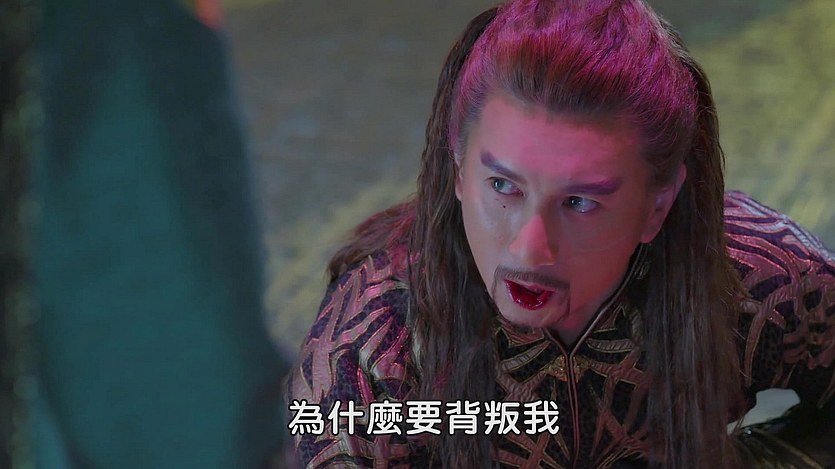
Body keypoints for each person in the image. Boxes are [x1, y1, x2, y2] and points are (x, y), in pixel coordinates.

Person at [287, 1, 835, 467]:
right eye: (503, 186)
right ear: (458, 171)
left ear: (657, 206)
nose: (529, 249)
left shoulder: (763, 280)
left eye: (580, 203)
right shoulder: (370, 352)